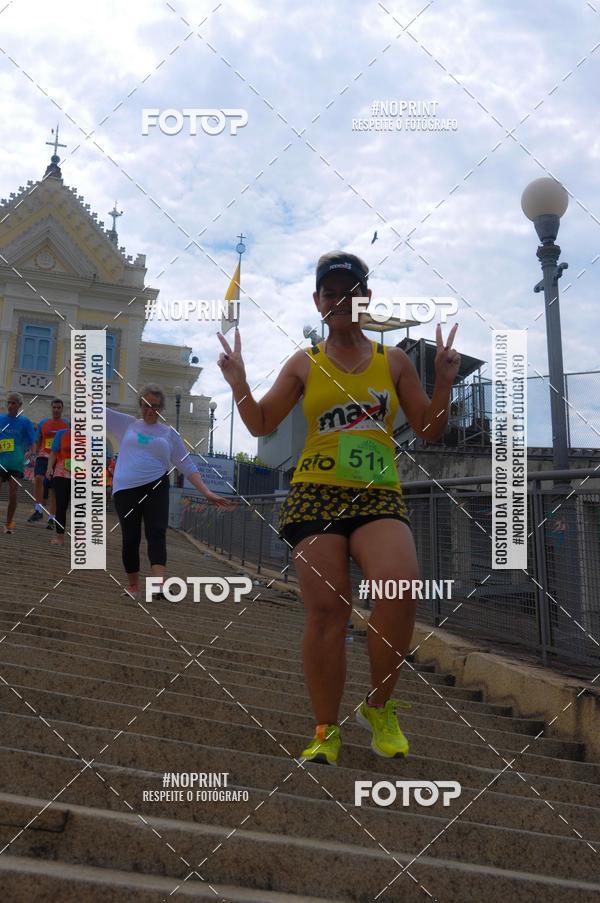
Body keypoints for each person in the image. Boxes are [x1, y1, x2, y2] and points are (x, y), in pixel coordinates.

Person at [217, 250, 460, 765]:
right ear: (318, 301)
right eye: (331, 293)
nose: (341, 300)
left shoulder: (390, 360)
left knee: (400, 586)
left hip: (377, 493)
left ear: (365, 299)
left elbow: (429, 427)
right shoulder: (306, 362)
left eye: (351, 291)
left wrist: (442, 379)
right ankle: (325, 728)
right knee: (328, 609)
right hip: (316, 492)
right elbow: (261, 423)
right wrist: (239, 384)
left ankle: (379, 706)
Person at [107, 383, 236, 601]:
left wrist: (206, 492)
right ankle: (133, 586)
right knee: (131, 537)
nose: (150, 410)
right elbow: (94, 407)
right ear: (140, 405)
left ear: (161, 408)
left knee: (156, 532)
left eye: (155, 407)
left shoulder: (169, 433)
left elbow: (187, 465)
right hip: (126, 489)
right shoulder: (127, 424)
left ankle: (159, 585)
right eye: (146, 405)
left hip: (156, 485)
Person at [28, 397, 70, 529]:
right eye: (54, 407)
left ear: (62, 409)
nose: (56, 410)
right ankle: (38, 510)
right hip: (43, 455)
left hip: (59, 459)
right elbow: (37, 439)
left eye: (59, 408)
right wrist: (32, 452)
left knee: (54, 490)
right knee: (39, 478)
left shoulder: (67, 424)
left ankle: (52, 518)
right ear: (51, 408)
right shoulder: (44, 423)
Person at [0, 393, 37, 534]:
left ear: (19, 405)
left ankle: (8, 524)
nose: (10, 405)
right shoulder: (1, 418)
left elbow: (33, 441)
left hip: (16, 463)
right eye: (8, 402)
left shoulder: (25, 422)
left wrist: (32, 454)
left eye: (13, 403)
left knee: (13, 494)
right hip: (1, 461)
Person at [46, 426, 71, 547]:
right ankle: (60, 537)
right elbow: (54, 452)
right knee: (61, 506)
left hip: (81, 475)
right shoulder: (61, 434)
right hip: (61, 473)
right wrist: (49, 467)